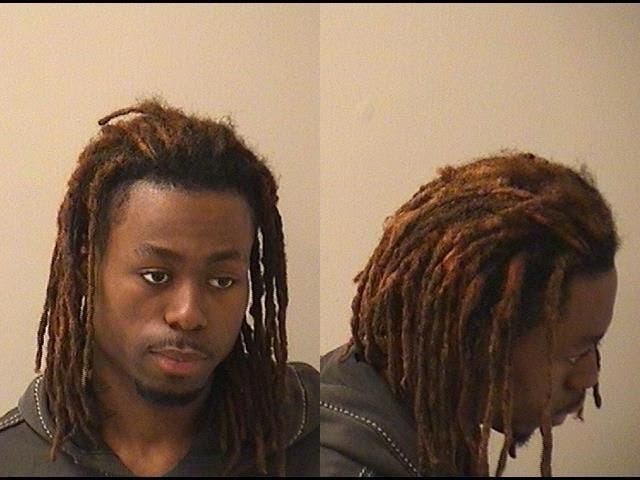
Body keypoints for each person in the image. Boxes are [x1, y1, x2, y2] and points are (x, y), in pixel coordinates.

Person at [0, 99, 319, 476]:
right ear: (88, 271)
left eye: (222, 281)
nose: (188, 314)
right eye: (156, 276)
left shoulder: (317, 438)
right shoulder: (13, 459)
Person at [320, 152, 619, 477]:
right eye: (575, 353)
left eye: (595, 347)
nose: (589, 377)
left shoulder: (415, 409)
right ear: (474, 336)